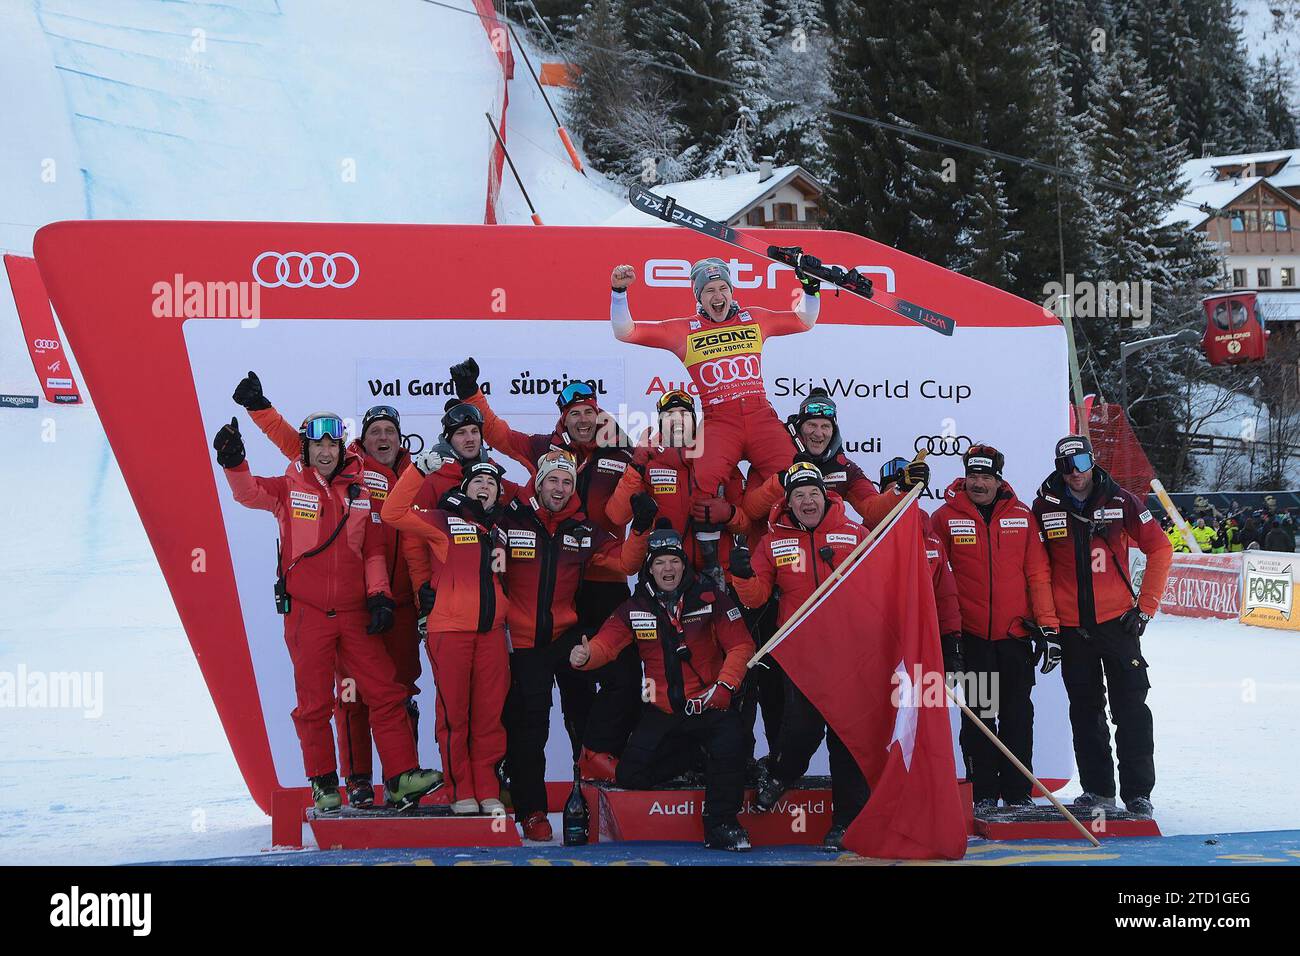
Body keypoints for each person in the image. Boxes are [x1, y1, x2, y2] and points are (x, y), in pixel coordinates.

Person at [213, 413, 440, 812]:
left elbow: (371, 551)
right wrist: (235, 463)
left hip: (355, 613)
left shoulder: (358, 491)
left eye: (332, 445)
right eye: (317, 445)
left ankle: (402, 777)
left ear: (340, 449)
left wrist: (380, 597)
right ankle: (323, 782)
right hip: (307, 613)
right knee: (315, 702)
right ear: (307, 449)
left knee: (386, 691)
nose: (324, 452)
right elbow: (248, 494)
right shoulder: (289, 486)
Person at [449, 357, 643, 765]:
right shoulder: (543, 449)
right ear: (563, 419)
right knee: (566, 690)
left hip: (606, 578)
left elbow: (655, 474)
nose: (584, 420)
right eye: (575, 414)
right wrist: (471, 394)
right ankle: (556, 781)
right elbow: (500, 435)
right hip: (560, 589)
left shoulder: (622, 449)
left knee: (622, 678)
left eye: (590, 412)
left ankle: (601, 759)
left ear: (599, 413)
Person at [495, 450, 658, 839]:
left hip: (564, 638)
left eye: (567, 482)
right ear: (538, 482)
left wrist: (641, 529)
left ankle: (590, 776)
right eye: (553, 480)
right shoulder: (511, 519)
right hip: (522, 643)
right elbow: (486, 567)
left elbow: (625, 564)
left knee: (615, 684)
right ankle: (532, 811)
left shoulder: (582, 529)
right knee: (530, 729)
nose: (560, 488)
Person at [571, 522, 754, 851]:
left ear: (684, 563)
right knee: (630, 775)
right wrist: (585, 656)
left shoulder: (712, 597)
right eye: (659, 562)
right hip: (663, 711)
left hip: (709, 705)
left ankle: (722, 825)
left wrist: (725, 686)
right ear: (649, 568)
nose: (667, 568)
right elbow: (606, 644)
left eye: (674, 561)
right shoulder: (635, 606)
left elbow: (741, 646)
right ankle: (692, 755)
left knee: (731, 745)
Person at [729, 462, 872, 851]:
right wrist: (742, 575)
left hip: (849, 654)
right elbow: (757, 597)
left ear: (825, 496)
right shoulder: (773, 541)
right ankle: (779, 773)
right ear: (788, 503)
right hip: (802, 654)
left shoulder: (854, 532)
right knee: (801, 729)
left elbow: (878, 583)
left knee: (845, 739)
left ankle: (846, 821)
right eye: (798, 495)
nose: (807, 501)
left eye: (813, 493)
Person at [1031, 435, 1172, 818]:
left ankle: (1138, 794)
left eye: (1080, 462)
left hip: (1117, 624)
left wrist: (1145, 608)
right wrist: (1048, 624)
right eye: (1066, 466)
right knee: (1085, 712)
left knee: (1131, 710)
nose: (1074, 473)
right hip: (1073, 629)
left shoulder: (1122, 501)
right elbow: (1038, 570)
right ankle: (1097, 791)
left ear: (1091, 462)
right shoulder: (1044, 506)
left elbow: (1160, 548)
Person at [608, 257, 821, 498]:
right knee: (704, 484)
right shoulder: (684, 330)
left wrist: (811, 288)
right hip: (720, 421)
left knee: (795, 480)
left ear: (731, 292)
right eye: (709, 290)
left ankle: (772, 532)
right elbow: (625, 332)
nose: (717, 296)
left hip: (760, 416)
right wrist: (619, 292)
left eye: (723, 288)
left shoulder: (755, 319)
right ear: (699, 297)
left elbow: (804, 321)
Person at [380, 455, 511, 816]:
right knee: (455, 715)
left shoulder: (499, 531)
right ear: (464, 488)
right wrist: (419, 471)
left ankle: (487, 788)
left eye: (491, 483)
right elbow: (392, 512)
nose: (485, 487)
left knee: (489, 716)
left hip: (491, 634)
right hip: (450, 631)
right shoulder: (443, 521)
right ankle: (460, 789)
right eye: (477, 481)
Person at [932, 444, 1059, 810]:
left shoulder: (1022, 516)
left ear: (998, 480)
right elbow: (937, 580)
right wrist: (945, 637)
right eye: (973, 476)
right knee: (979, 719)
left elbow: (1038, 574)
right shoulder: (944, 518)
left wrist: (1048, 629)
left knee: (1019, 716)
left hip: (1015, 638)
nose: (978, 483)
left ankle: (1019, 794)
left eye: (986, 477)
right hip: (972, 640)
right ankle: (983, 793)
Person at [739, 387, 880, 523]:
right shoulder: (773, 455)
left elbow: (874, 509)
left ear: (834, 431)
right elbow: (750, 510)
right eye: (812, 425)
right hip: (777, 543)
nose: (818, 433)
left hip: (824, 544)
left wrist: (900, 490)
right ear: (799, 428)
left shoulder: (843, 467)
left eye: (825, 426)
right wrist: (782, 481)